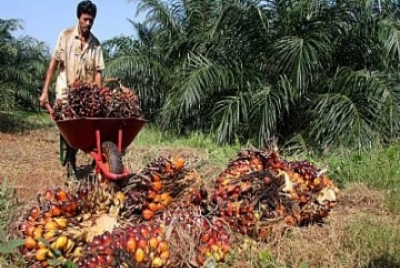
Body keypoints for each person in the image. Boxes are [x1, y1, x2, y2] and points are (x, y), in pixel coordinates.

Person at [39, 0, 105, 175]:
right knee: (70, 126)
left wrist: (98, 95)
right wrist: (45, 91)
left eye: (91, 20)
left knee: (91, 125)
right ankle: (71, 161)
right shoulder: (66, 36)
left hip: (86, 95)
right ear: (79, 18)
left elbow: (98, 72)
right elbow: (53, 64)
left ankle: (96, 156)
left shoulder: (96, 44)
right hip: (66, 91)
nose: (88, 23)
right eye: (85, 19)